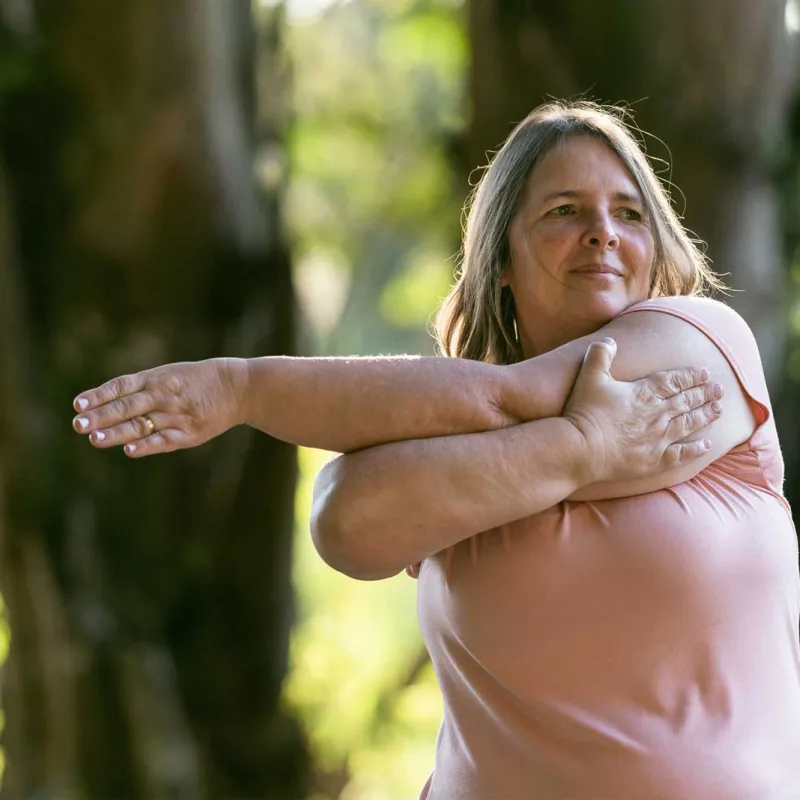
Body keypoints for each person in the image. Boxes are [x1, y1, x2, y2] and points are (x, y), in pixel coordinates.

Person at [71, 101, 800, 799]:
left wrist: (241, 391)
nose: (603, 231)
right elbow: (346, 523)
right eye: (564, 211)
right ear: (503, 263)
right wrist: (582, 448)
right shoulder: (445, 416)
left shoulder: (704, 346)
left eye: (629, 212)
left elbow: (507, 399)